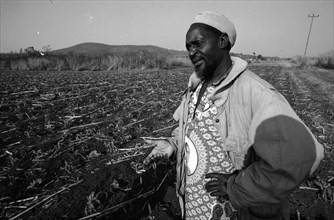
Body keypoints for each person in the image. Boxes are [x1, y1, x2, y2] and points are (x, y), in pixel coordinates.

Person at [143, 11, 324, 220]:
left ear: (222, 41)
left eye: (197, 43)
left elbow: (299, 157)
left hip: (233, 211)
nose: (192, 52)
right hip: (193, 208)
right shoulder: (198, 86)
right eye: (188, 47)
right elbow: (194, 129)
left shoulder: (255, 93)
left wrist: (235, 187)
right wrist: (173, 144)